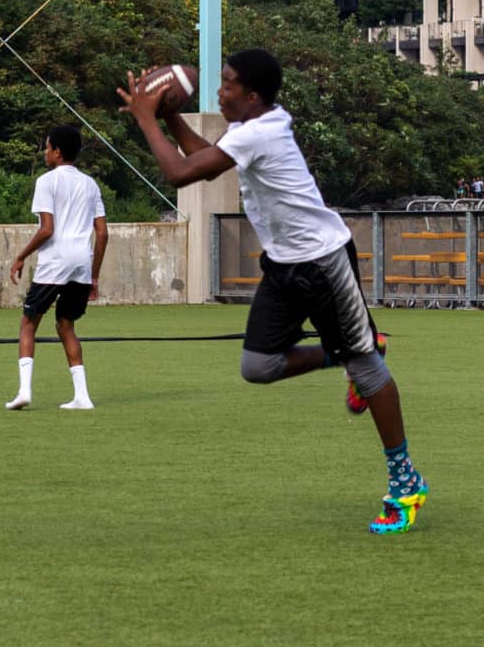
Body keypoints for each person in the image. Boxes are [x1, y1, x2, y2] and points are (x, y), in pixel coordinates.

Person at [119, 48, 429, 534]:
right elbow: (207, 158)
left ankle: (405, 482)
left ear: (253, 95)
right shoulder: (251, 126)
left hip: (324, 262)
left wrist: (146, 119)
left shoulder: (261, 131)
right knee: (258, 367)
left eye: (227, 85)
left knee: (368, 371)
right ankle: (349, 351)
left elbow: (182, 173)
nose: (219, 91)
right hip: (285, 268)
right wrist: (169, 114)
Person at [6, 125, 107, 411]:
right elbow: (102, 233)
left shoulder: (46, 181)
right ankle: (82, 396)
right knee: (66, 326)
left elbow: (46, 229)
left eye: (47, 147)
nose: (45, 152)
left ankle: (24, 391)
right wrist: (94, 276)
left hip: (56, 261)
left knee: (28, 323)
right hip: (82, 262)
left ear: (57, 152)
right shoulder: (91, 184)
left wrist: (21, 256)